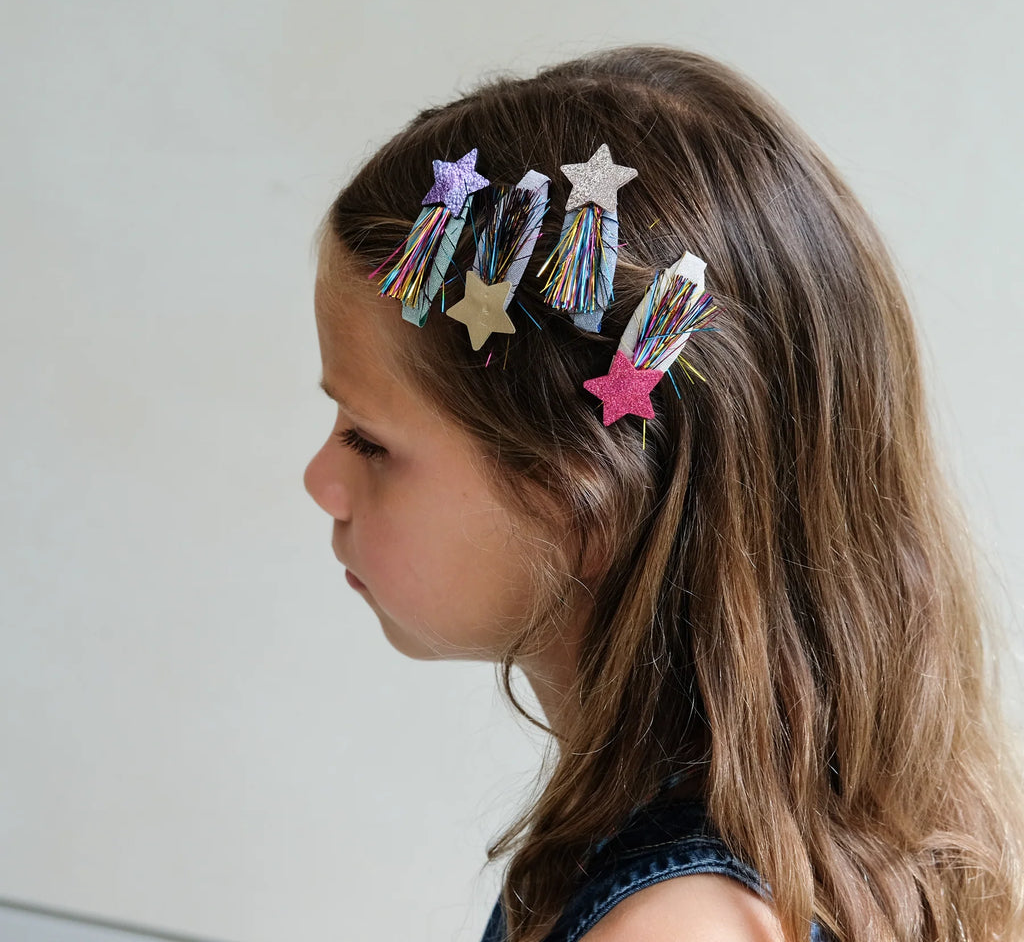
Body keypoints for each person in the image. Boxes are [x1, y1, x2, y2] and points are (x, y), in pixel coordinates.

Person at [302, 46, 1024, 942]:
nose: (320, 482)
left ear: (584, 500)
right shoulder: (712, 850)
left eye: (369, 440)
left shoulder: (677, 928)